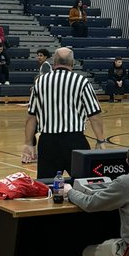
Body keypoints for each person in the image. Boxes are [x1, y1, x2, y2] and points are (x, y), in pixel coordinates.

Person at [21, 46, 106, 177]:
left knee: (47, 185)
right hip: (75, 141)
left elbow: (31, 116)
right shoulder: (81, 82)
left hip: (48, 142)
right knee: (84, 182)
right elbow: (94, 115)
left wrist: (28, 143)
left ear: (54, 63)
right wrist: (100, 141)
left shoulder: (40, 82)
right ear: (72, 63)